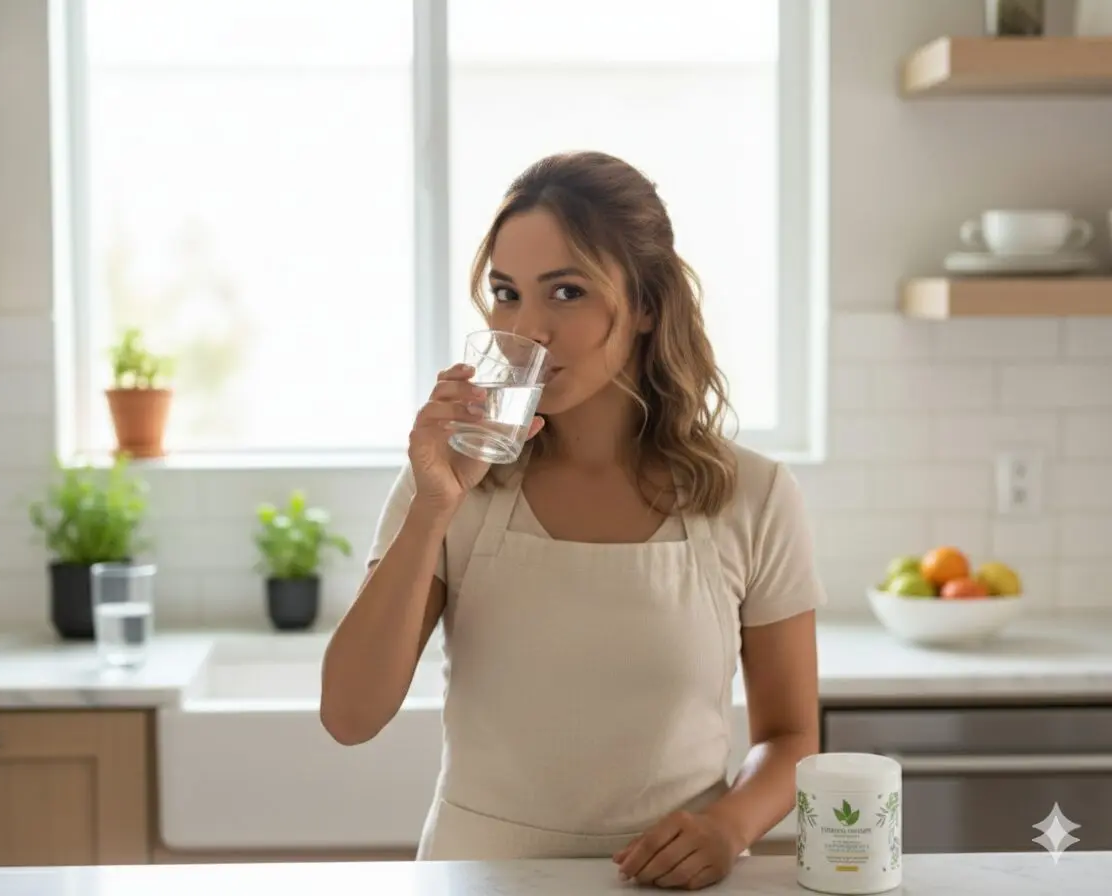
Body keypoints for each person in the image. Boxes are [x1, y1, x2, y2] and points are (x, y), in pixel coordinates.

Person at [320, 150, 826, 891]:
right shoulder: (451, 484)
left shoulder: (752, 494)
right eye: (506, 294)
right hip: (482, 877)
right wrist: (432, 509)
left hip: (673, 885)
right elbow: (349, 715)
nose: (528, 329)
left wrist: (729, 827)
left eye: (566, 291)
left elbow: (791, 737)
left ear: (647, 303)